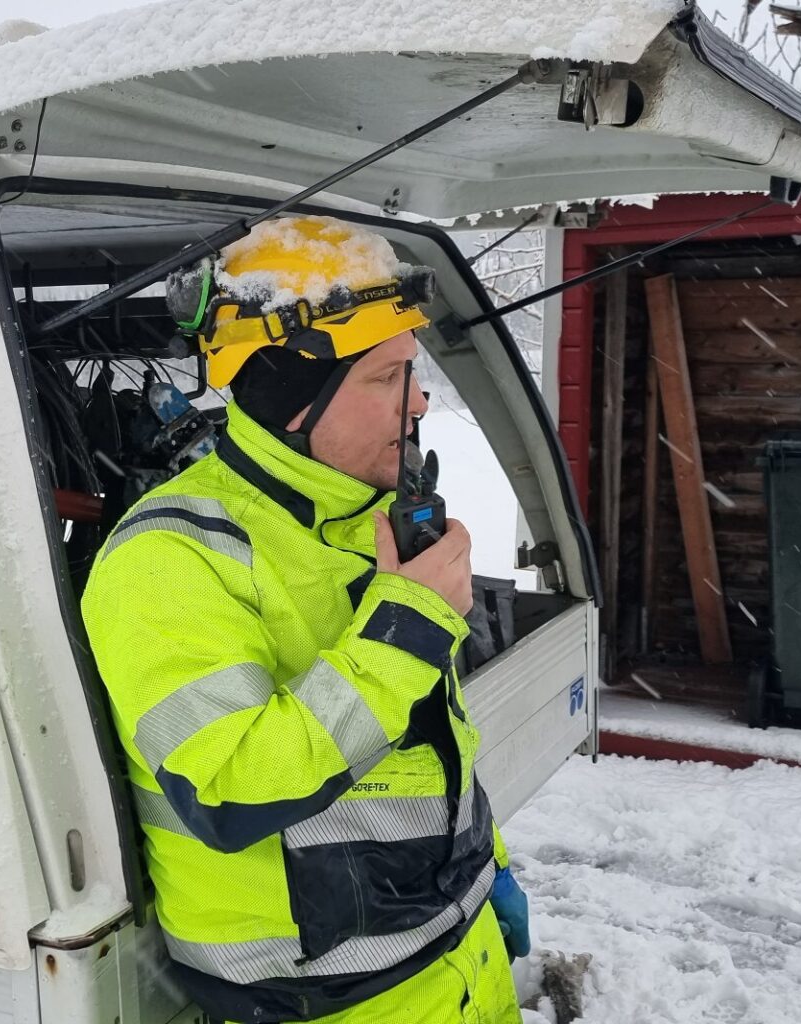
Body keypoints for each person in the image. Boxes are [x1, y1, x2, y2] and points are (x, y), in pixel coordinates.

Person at [81, 215, 530, 1024]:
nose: (421, 400)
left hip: (459, 960)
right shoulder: (171, 559)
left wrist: (485, 866)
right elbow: (229, 790)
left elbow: (428, 739)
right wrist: (409, 630)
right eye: (387, 378)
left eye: (414, 372)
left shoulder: (375, 520)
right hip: (331, 1004)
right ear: (293, 399)